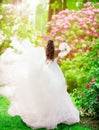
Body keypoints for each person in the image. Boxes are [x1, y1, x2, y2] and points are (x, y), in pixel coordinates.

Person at [0, 39, 80, 129]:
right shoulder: (56, 51)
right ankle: (57, 114)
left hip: (48, 72)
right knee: (59, 93)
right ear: (53, 46)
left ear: (47, 47)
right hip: (56, 72)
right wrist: (64, 45)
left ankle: (48, 113)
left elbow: (44, 63)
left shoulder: (46, 53)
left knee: (49, 94)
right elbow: (66, 50)